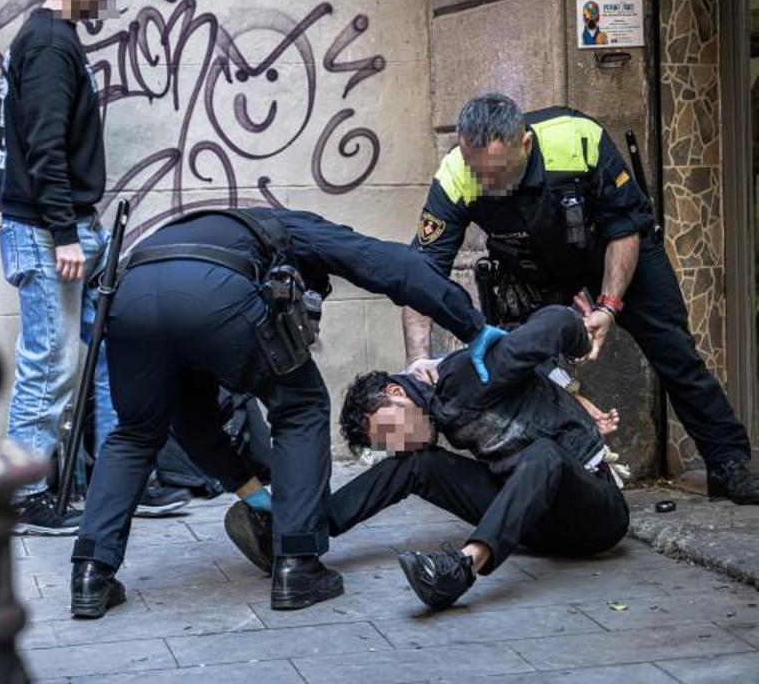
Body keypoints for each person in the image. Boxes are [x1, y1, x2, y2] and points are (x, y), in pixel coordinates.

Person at [69, 207, 506, 618]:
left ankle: (91, 575)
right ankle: (298, 564)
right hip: (215, 292)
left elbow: (192, 423)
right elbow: (392, 264)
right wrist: (471, 325)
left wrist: (251, 491)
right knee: (301, 406)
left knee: (134, 434)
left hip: (129, 298)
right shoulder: (293, 229)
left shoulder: (224, 231)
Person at [402, 93, 759, 503]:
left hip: (609, 247)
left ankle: (727, 463)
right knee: (517, 367)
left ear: (526, 145)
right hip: (529, 265)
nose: (487, 185)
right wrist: (417, 359)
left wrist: (608, 305)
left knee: (675, 351)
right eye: (477, 172)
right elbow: (420, 276)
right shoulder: (455, 173)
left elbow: (625, 227)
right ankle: (536, 482)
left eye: (497, 174)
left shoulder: (577, 139)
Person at [226, 306, 629, 611]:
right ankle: (296, 534)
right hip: (530, 521)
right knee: (419, 463)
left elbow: (557, 321)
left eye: (387, 433)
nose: (393, 445)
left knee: (543, 454)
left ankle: (463, 568)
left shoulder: (470, 375)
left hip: (594, 513)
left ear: (396, 394)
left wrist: (582, 345)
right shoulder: (433, 399)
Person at [0, 0, 189, 535]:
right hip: (50, 230)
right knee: (49, 364)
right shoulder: (49, 44)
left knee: (110, 350)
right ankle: (23, 494)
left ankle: (116, 478)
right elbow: (44, 148)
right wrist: (64, 235)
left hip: (68, 225)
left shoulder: (55, 38)